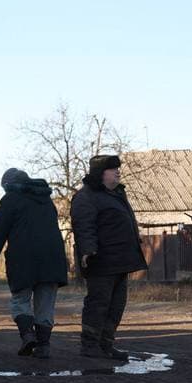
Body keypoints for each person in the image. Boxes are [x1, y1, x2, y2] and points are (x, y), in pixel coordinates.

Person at [0, 168, 68, 358]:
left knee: (20, 300)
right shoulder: (47, 201)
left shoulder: (10, 200)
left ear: (9, 185)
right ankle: (43, 345)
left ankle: (28, 336)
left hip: (23, 260)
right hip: (52, 259)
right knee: (45, 304)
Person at [71, 154, 147, 360]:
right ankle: (89, 345)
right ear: (101, 173)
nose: (118, 172)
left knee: (117, 305)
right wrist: (87, 250)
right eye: (113, 169)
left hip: (120, 260)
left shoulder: (117, 194)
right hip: (100, 261)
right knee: (98, 303)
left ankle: (106, 344)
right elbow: (84, 226)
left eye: (117, 169)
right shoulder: (86, 196)